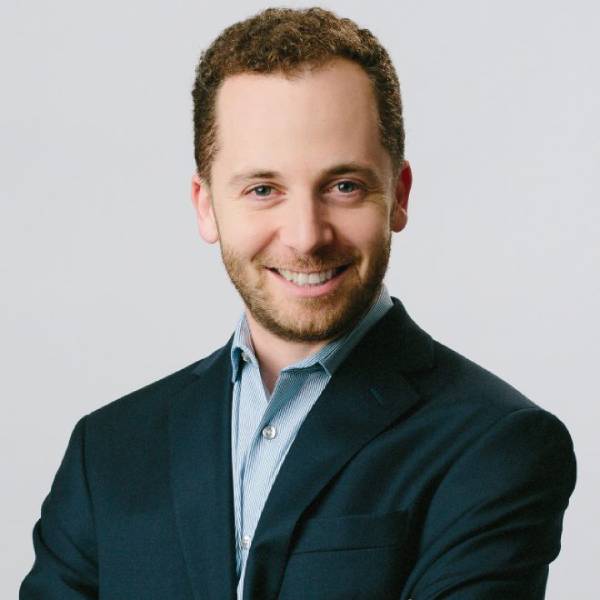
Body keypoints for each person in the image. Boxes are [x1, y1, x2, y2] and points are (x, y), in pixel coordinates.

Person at [20, 7, 576, 600]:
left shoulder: (495, 445)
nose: (306, 235)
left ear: (399, 195)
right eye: (263, 189)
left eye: (344, 187)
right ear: (205, 205)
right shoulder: (108, 450)